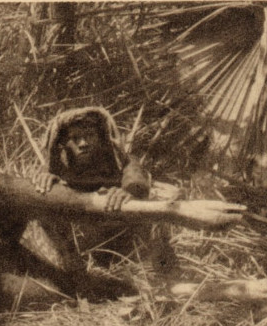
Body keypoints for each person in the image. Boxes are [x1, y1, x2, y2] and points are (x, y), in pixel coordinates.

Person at [32, 106, 177, 277]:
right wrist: (48, 185)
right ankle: (72, 269)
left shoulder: (121, 161)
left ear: (101, 139)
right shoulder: (56, 168)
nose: (83, 143)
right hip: (82, 249)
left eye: (90, 136)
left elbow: (135, 178)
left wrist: (129, 193)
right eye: (74, 138)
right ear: (63, 144)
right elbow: (43, 182)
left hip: (125, 246)